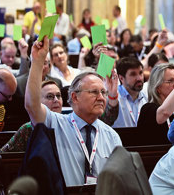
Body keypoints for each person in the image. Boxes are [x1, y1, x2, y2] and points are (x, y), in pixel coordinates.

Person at [25, 36, 122, 186]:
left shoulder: (112, 136)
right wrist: (38, 61)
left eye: (103, 92)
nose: (101, 98)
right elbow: (32, 105)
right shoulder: (57, 124)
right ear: (74, 97)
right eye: (94, 92)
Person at [137, 59, 174, 145]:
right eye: (170, 81)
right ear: (158, 87)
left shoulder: (171, 112)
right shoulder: (148, 109)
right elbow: (164, 113)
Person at [112, 57, 147, 128]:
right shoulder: (113, 99)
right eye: (133, 74)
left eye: (140, 73)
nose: (139, 78)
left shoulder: (146, 99)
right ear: (121, 78)